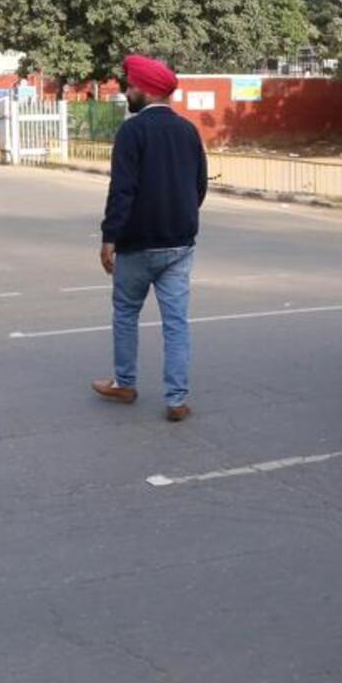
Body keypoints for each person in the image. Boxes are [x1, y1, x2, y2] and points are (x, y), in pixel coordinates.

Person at [92, 55, 208, 423]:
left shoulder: (132, 131)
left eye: (129, 86)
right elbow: (199, 186)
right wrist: (183, 217)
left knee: (126, 312)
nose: (127, 91)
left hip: (137, 245)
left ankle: (124, 383)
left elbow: (122, 190)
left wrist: (110, 237)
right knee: (176, 322)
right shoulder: (188, 131)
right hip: (179, 244)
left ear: (144, 90)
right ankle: (177, 398)